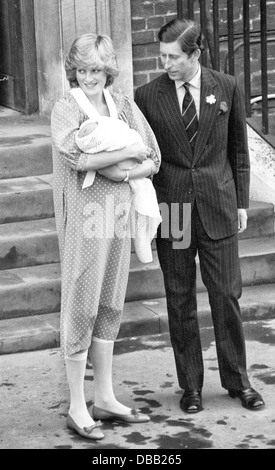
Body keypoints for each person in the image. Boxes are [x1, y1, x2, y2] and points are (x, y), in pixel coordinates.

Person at [135, 18, 265, 414]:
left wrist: (241, 201)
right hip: (172, 207)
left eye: (174, 57)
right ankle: (190, 386)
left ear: (195, 54)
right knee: (179, 298)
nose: (167, 64)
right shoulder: (146, 96)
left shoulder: (225, 86)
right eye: (162, 57)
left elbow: (238, 151)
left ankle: (238, 382)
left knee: (226, 295)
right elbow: (144, 155)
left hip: (218, 204)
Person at [51, 33, 161, 440]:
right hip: (82, 216)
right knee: (81, 301)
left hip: (116, 214)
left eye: (96, 70)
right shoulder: (66, 108)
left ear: (108, 70)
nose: (89, 77)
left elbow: (154, 156)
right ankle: (77, 406)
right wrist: (121, 157)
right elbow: (77, 158)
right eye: (81, 70)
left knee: (111, 301)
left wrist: (124, 171)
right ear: (73, 72)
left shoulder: (124, 105)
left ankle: (105, 397)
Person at [75, 116, 162, 263]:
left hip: (127, 183)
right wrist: (129, 153)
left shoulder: (114, 121)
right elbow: (82, 159)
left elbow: (153, 159)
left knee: (141, 215)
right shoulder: (70, 111)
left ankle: (144, 251)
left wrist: (123, 173)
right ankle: (144, 251)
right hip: (98, 201)